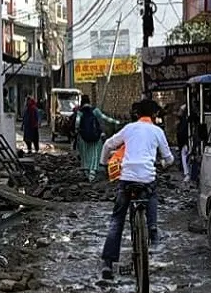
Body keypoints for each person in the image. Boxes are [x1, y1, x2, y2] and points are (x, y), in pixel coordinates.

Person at [99, 99, 174, 280]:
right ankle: (153, 229)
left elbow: (108, 145)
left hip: (127, 178)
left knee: (117, 219)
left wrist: (103, 164)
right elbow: (169, 158)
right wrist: (163, 164)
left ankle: (108, 264)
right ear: (154, 115)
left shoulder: (129, 129)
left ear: (137, 114)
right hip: (147, 178)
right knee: (152, 193)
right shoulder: (157, 131)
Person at [75, 95, 120, 182]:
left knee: (85, 156)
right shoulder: (95, 110)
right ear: (89, 101)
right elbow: (105, 118)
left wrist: (77, 132)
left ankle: (87, 172)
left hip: (83, 138)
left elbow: (77, 124)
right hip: (95, 137)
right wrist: (117, 122)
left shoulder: (80, 112)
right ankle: (92, 173)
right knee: (95, 155)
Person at [176, 104, 190, 182]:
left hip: (185, 142)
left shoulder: (183, 121)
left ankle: (187, 173)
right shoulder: (183, 120)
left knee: (184, 155)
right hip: (186, 141)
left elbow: (181, 133)